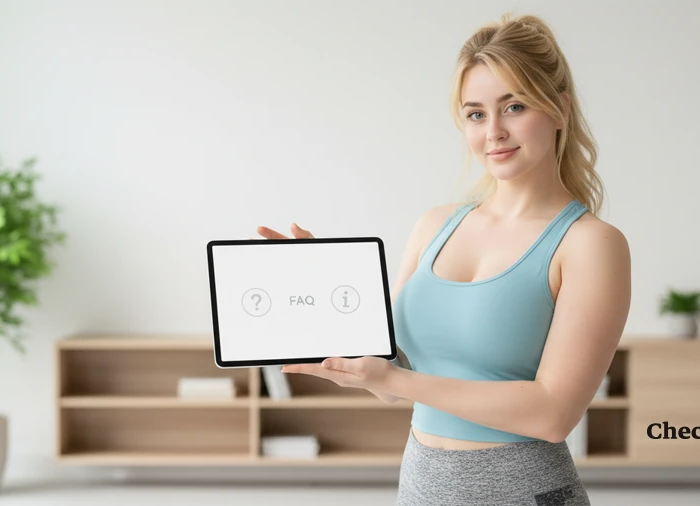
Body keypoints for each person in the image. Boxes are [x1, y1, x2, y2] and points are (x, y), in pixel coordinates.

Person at [257, 12, 631, 506]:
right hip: (420, 488)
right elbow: (389, 374)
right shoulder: (435, 225)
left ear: (559, 108)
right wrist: (325, 295)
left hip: (524, 494)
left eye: (513, 106)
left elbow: (552, 413)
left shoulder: (590, 244)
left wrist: (394, 378)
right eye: (476, 114)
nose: (493, 131)